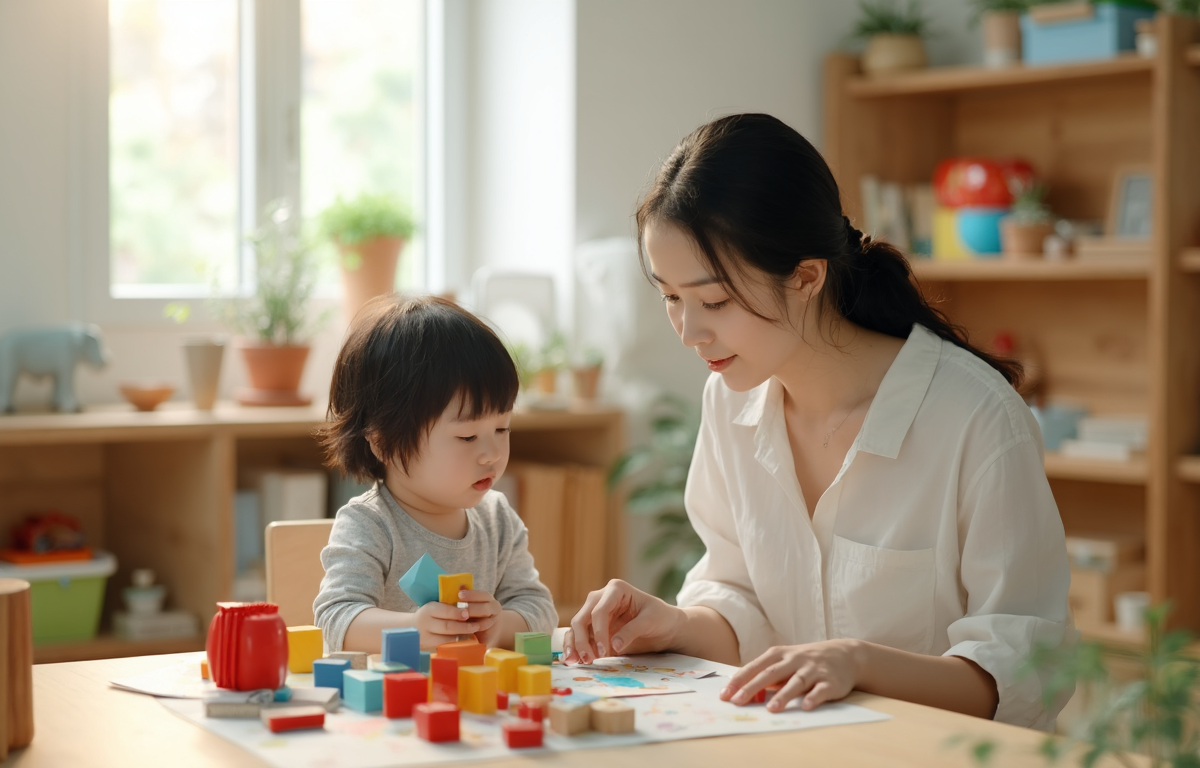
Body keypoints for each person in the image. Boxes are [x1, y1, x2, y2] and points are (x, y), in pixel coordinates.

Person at [563, 114, 1073, 731]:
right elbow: (742, 601)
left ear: (806, 276)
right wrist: (677, 624)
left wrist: (858, 662)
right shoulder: (730, 402)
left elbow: (1026, 672)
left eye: (715, 301)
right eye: (671, 296)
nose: (688, 331)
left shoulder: (976, 419)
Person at [314, 295, 556, 653]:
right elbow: (336, 619)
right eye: (467, 436)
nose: (491, 454)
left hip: (477, 702)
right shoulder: (370, 525)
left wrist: (498, 625)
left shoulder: (497, 520)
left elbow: (539, 610)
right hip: (394, 702)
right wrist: (411, 628)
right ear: (383, 444)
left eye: (502, 429)